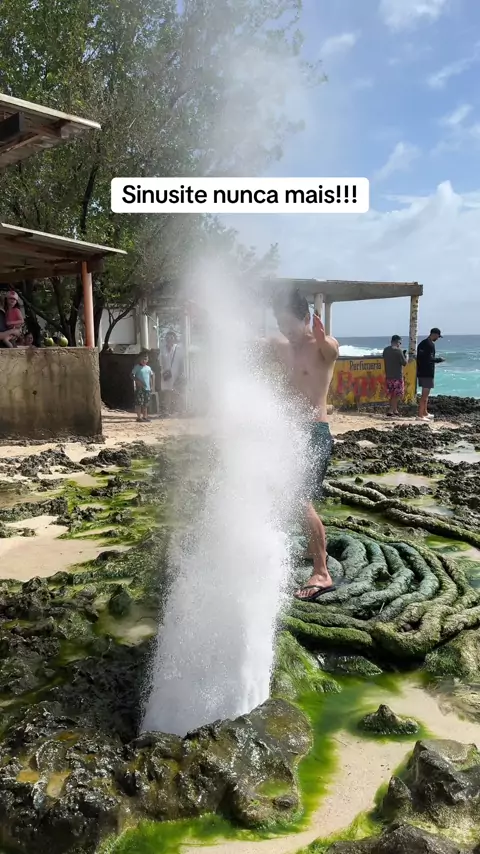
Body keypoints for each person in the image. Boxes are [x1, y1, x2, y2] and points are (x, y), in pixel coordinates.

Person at [268, 288, 339, 603]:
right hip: (290, 434)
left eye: (290, 325)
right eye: (280, 325)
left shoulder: (323, 348)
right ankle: (312, 549)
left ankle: (322, 572)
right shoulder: (284, 347)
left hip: (314, 433)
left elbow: (331, 349)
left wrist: (322, 338)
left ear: (306, 318)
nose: (287, 331)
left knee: (299, 500)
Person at [417, 328, 444, 421]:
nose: (438, 338)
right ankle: (420, 415)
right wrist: (439, 360)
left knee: (426, 394)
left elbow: (422, 358)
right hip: (427, 372)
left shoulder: (422, 343)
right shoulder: (430, 344)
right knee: (425, 395)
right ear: (434, 334)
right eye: (438, 336)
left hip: (421, 371)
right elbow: (429, 359)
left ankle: (425, 412)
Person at [159, 330, 184, 416]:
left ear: (174, 339)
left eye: (171, 337)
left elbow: (181, 362)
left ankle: (177, 410)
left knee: (176, 392)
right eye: (168, 337)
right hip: (166, 375)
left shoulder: (178, 348)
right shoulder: (162, 349)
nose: (169, 339)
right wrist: (162, 371)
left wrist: (181, 373)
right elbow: (160, 361)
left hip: (176, 374)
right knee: (167, 392)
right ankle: (167, 410)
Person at [383, 335, 408, 417]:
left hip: (388, 375)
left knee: (391, 394)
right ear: (397, 342)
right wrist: (405, 356)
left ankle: (395, 410)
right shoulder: (399, 351)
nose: (400, 345)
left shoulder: (386, 350)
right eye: (400, 343)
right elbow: (404, 363)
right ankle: (391, 410)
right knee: (396, 394)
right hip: (397, 376)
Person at [132, 352, 154, 423]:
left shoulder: (148, 368)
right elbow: (131, 375)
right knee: (139, 403)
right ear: (140, 359)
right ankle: (139, 417)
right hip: (140, 388)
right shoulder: (137, 367)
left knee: (145, 403)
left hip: (147, 388)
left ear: (147, 360)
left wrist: (151, 386)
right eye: (142, 359)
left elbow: (151, 376)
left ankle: (145, 417)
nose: (144, 361)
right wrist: (137, 381)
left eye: (145, 359)